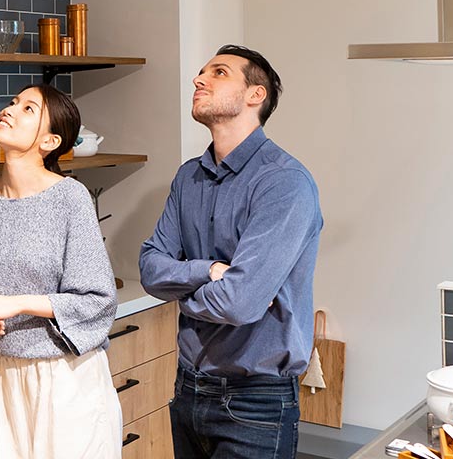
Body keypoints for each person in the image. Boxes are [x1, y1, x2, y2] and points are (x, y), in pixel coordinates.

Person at [138, 45, 322, 459]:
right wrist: (209, 271)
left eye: (218, 72)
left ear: (255, 95)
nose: (199, 80)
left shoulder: (284, 183)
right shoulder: (189, 176)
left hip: (255, 401)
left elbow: (240, 303)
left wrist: (183, 289)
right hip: (187, 388)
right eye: (201, 72)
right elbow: (150, 268)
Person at [0, 84, 121, 459]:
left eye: (28, 109)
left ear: (49, 141)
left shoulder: (70, 199)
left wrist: (12, 304)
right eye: (12, 102)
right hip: (4, 374)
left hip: (67, 376)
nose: (9, 110)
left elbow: (99, 299)